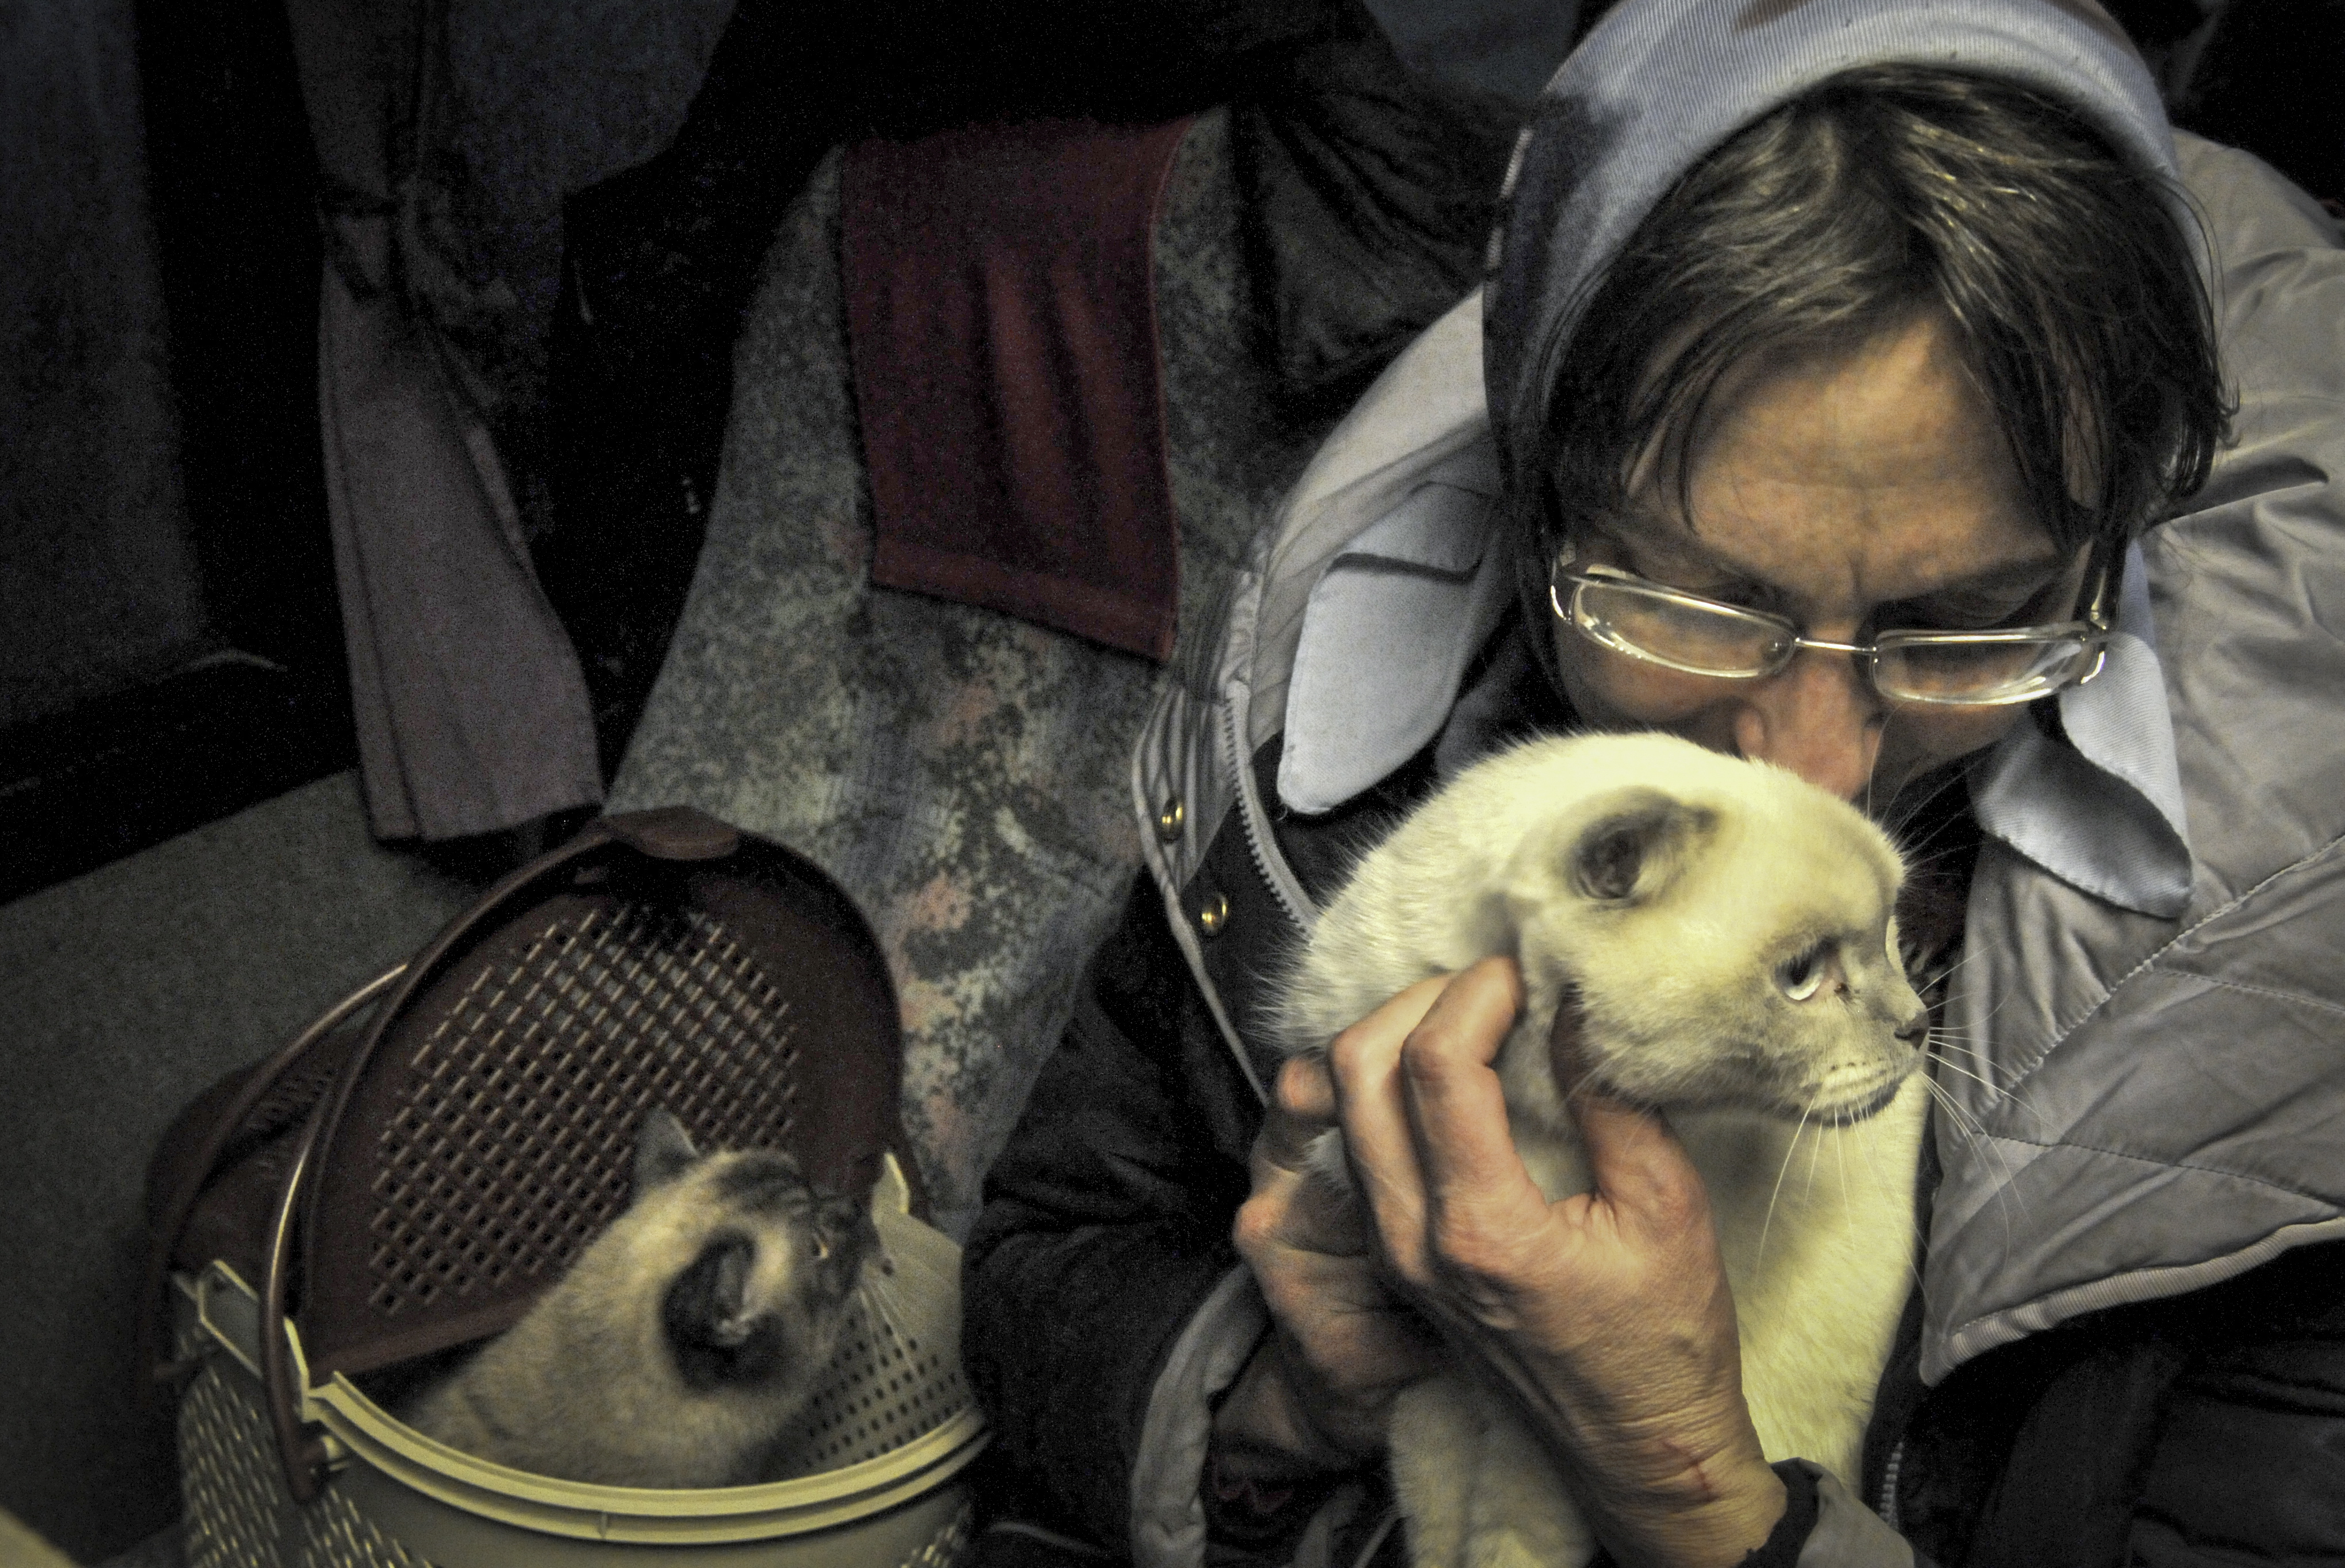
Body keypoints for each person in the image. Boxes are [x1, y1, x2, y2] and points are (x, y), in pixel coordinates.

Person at [964, 1, 2345, 1563]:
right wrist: (1294, 1393)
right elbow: (1041, 1267)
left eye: (1965, 621)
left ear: (2110, 565)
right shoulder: (1314, 734)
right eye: (1698, 606)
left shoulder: (2294, 975)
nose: (1820, 767)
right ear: (1545, 503)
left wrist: (1687, 1488)